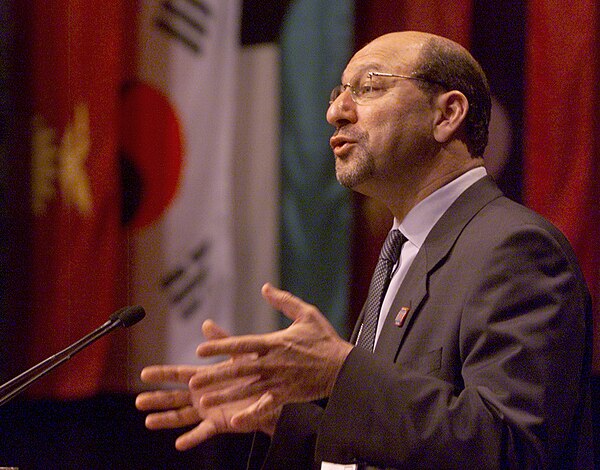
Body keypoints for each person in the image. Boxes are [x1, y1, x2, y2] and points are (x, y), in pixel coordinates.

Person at [135, 31, 594, 469]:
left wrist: (342, 373)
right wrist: (287, 421)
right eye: (338, 92)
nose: (336, 110)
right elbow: (406, 441)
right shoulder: (404, 252)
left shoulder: (515, 249)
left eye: (369, 87)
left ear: (447, 114)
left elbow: (508, 447)